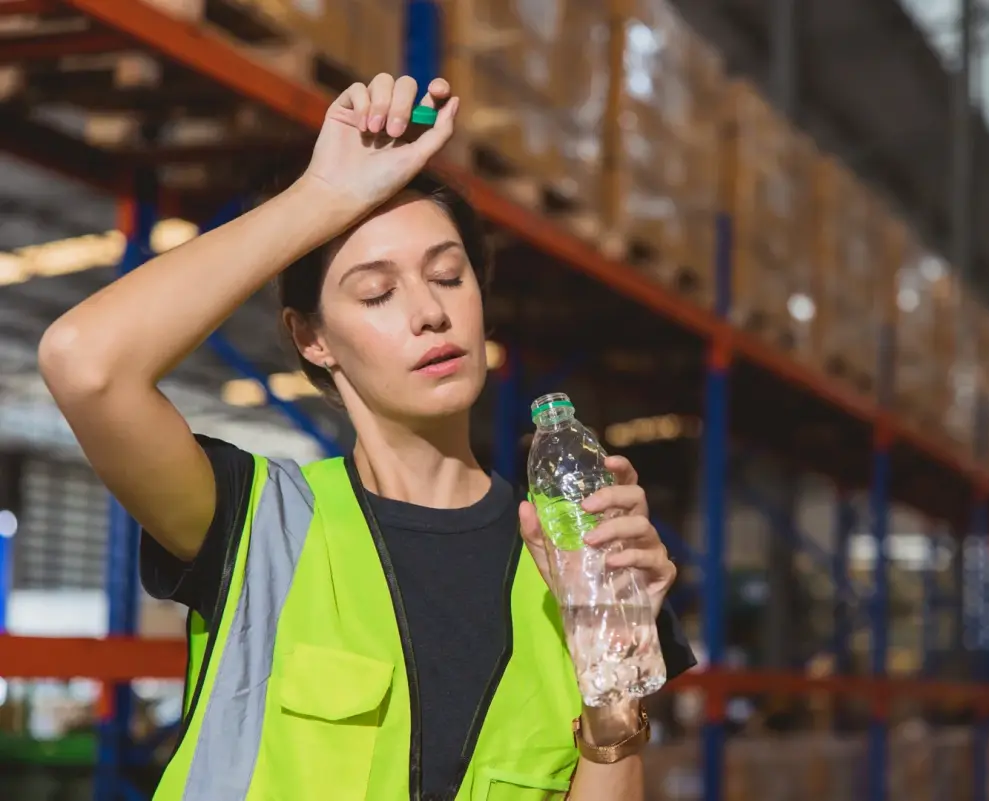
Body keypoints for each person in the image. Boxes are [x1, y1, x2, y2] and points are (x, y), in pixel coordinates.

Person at [39, 74, 695, 801]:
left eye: (448, 276)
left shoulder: (578, 566)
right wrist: (324, 195)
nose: (428, 313)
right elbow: (85, 363)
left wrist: (612, 683)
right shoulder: (255, 525)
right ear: (311, 337)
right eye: (377, 292)